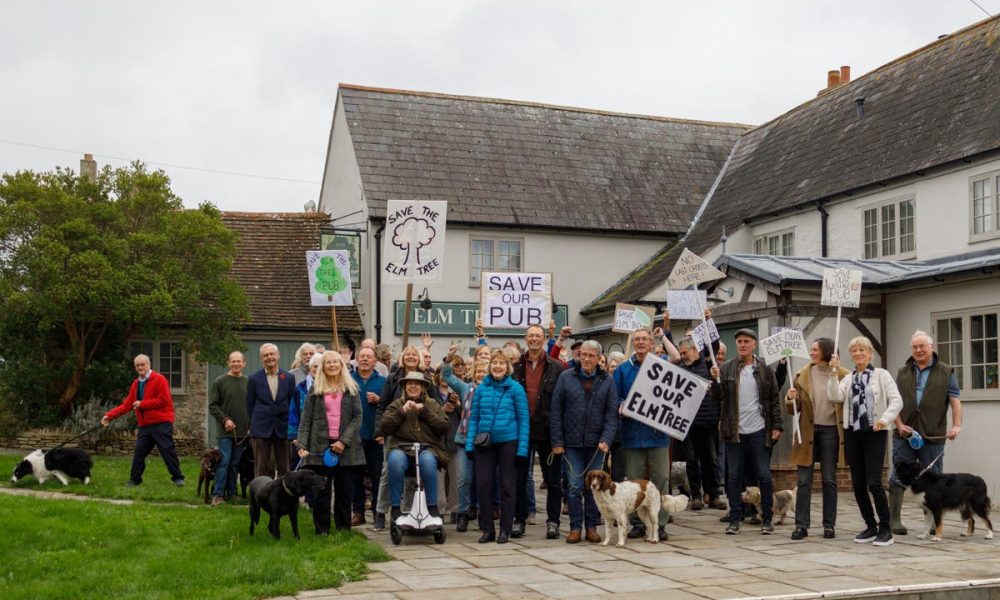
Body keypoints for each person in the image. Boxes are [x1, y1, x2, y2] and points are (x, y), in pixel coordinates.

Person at [828, 336, 903, 547]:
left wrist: (885, 419)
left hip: (874, 431)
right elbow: (835, 396)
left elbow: (897, 400)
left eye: (862, 350)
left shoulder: (881, 375)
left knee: (874, 482)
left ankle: (885, 528)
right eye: (854, 351)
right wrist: (833, 373)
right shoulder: (848, 378)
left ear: (870, 353)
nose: (858, 354)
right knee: (858, 483)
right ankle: (870, 525)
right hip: (853, 432)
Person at [889, 330, 962, 535]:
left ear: (932, 347)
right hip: (904, 434)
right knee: (897, 476)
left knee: (933, 480)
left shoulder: (946, 371)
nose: (919, 350)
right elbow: (894, 402)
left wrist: (956, 425)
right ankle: (894, 520)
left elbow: (955, 401)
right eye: (915, 347)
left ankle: (931, 522)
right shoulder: (902, 371)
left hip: (934, 434)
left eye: (923, 346)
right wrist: (899, 424)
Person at [712, 328, 782, 535]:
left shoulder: (764, 369)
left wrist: (777, 425)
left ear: (754, 344)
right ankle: (735, 518)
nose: (742, 345)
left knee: (764, 475)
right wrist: (715, 380)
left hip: (759, 429)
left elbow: (773, 399)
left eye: (746, 341)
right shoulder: (727, 368)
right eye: (739, 341)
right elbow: (717, 397)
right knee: (733, 477)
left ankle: (766, 518)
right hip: (735, 431)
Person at [550, 340, 618, 544]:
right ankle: (574, 528)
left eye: (591, 356)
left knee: (594, 488)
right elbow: (556, 411)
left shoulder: (607, 380)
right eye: (583, 355)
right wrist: (557, 441)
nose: (586, 359)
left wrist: (607, 439)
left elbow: (611, 413)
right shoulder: (565, 377)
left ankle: (591, 527)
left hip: (597, 444)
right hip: (571, 444)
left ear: (599, 358)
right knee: (573, 486)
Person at [784, 338, 848, 540]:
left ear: (826, 351)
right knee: (804, 480)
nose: (811, 353)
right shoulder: (802, 375)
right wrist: (790, 398)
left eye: (815, 349)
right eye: (811, 349)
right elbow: (793, 410)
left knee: (829, 480)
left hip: (831, 431)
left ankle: (829, 525)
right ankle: (801, 525)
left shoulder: (843, 374)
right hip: (807, 432)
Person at [465, 349, 530, 544]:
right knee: (483, 486)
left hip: (508, 442)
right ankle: (487, 529)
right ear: (489, 366)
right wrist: (469, 445)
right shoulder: (481, 389)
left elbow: (523, 419)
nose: (498, 367)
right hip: (484, 443)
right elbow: (474, 418)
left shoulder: (516, 389)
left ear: (507, 367)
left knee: (507, 487)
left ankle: (505, 529)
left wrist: (522, 449)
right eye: (495, 363)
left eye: (502, 363)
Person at [296, 351, 364, 534]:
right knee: (321, 491)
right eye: (328, 363)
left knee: (345, 491)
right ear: (323, 367)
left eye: (336, 362)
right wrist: (301, 444)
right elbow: (306, 419)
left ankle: (343, 529)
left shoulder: (351, 388)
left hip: (346, 448)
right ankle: (322, 530)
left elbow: (358, 417)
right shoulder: (315, 390)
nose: (332, 365)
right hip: (320, 446)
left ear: (342, 365)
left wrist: (343, 441)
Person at [614, 327, 671, 541]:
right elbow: (616, 396)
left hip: (657, 433)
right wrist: (621, 405)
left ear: (651, 343)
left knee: (661, 478)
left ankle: (660, 523)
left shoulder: (662, 366)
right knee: (635, 481)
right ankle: (637, 523)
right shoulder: (622, 370)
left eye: (644, 339)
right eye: (636, 339)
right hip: (632, 433)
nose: (640, 342)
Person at [513, 324, 566, 539]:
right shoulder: (515, 367)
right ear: (526, 339)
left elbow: (562, 402)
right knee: (519, 479)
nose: (534, 339)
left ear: (544, 339)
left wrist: (559, 435)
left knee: (552, 479)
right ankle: (519, 520)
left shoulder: (557, 367)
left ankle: (553, 521)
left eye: (538, 336)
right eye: (531, 336)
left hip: (547, 431)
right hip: (522, 430)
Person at [101, 354, 184, 487]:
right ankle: (134, 480)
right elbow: (127, 405)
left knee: (167, 451)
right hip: (145, 425)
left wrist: (143, 404)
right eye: (137, 365)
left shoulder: (159, 379)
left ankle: (178, 478)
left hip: (161, 423)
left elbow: (164, 400)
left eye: (142, 364)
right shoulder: (136, 384)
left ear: (149, 364)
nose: (140, 367)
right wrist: (109, 416)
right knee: (139, 453)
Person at [380, 371, 450, 524]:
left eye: (417, 383)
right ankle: (396, 509)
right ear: (404, 387)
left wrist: (424, 412)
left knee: (427, 461)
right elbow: (384, 427)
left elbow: (444, 427)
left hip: (428, 448)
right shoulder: (397, 404)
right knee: (395, 461)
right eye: (409, 383)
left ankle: (432, 507)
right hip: (402, 448)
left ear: (423, 387)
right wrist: (402, 411)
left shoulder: (432, 404)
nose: (413, 386)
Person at [372, 345, 428, 529]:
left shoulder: (427, 379)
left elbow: (435, 403)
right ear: (402, 358)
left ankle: (408, 513)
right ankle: (381, 512)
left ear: (419, 358)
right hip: (394, 433)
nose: (411, 357)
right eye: (408, 355)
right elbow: (382, 405)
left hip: (417, 433)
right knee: (388, 472)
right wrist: (380, 431)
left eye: (414, 354)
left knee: (413, 474)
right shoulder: (394, 377)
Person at [676, 337, 727, 512]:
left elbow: (720, 394)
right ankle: (696, 496)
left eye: (685, 352)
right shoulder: (680, 368)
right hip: (688, 423)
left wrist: (720, 418)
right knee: (691, 461)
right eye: (680, 353)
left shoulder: (708, 366)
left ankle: (713, 495)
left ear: (695, 350)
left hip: (709, 421)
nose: (682, 356)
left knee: (710, 459)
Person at [440, 354, 489, 532]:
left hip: (486, 442)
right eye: (479, 371)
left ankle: (484, 514)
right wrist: (447, 361)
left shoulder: (494, 390)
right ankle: (462, 513)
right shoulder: (466, 388)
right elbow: (447, 376)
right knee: (463, 479)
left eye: (485, 371)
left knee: (484, 480)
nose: (481, 374)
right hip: (464, 440)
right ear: (473, 373)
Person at [246, 343, 296, 477]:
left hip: (283, 427)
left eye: (272, 354)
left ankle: (282, 496)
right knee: (262, 468)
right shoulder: (254, 379)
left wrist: (293, 427)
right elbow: (249, 404)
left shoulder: (289, 378)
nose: (269, 357)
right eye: (265, 355)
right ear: (261, 359)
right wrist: (251, 425)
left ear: (278, 355)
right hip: (261, 428)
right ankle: (261, 495)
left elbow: (292, 404)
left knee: (284, 468)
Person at [207, 351, 250, 505]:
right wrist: (225, 420)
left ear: (244, 363)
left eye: (239, 361)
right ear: (228, 363)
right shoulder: (219, 382)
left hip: (242, 433)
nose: (236, 364)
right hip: (225, 431)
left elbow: (251, 406)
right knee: (224, 462)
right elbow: (212, 406)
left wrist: (250, 425)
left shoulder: (248, 382)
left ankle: (232, 493)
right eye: (233, 361)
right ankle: (217, 495)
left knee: (235, 463)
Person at [351, 346, 386, 526]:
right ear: (356, 359)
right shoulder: (348, 379)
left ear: (375, 361)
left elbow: (390, 407)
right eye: (362, 356)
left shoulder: (383, 382)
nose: (365, 359)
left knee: (377, 475)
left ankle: (377, 512)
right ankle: (358, 512)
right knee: (355, 475)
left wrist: (379, 400)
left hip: (375, 436)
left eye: (369, 357)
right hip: (353, 436)